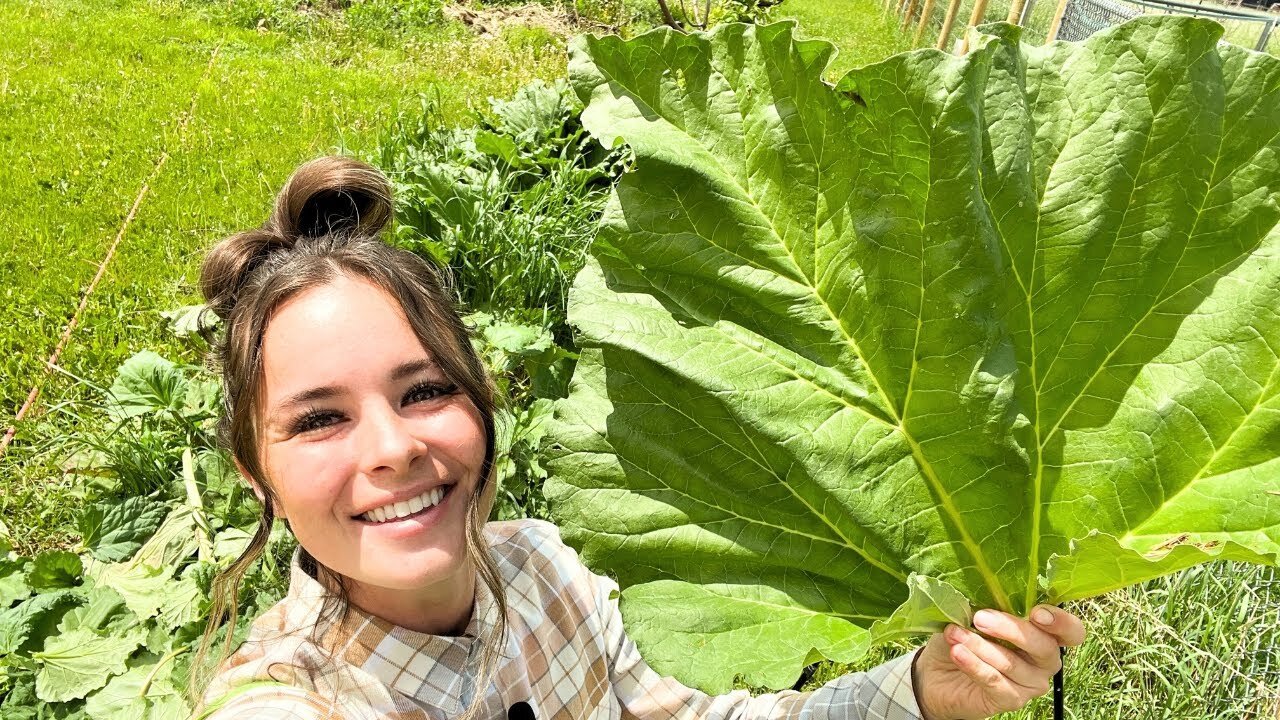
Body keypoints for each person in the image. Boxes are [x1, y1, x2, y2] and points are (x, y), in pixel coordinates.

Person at [189, 155, 1085, 720]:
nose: (390, 447)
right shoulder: (288, 694)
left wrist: (929, 692)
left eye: (424, 391)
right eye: (319, 419)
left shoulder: (545, 570)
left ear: (482, 404)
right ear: (254, 472)